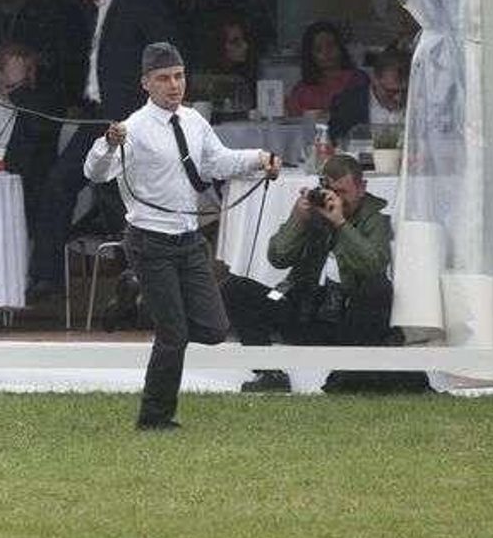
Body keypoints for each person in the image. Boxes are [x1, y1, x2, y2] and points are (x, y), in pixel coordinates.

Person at [85, 42, 279, 429]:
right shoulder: (132, 129)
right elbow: (95, 172)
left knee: (214, 329)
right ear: (146, 83)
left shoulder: (193, 120)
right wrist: (107, 144)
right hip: (149, 239)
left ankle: (135, 295)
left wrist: (259, 159)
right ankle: (154, 417)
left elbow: (217, 161)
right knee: (173, 335)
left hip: (189, 240)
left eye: (179, 76)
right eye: (164, 78)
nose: (174, 85)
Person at [26, 0, 182, 301]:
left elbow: (166, 56)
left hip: (132, 119)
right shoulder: (94, 7)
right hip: (99, 117)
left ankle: (142, 281)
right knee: (60, 182)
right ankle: (47, 277)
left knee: (116, 195)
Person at [222, 154, 422, 393]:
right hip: (302, 308)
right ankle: (269, 373)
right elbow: (277, 257)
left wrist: (341, 224)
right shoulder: (314, 211)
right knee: (235, 288)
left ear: (362, 188)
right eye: (331, 191)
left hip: (348, 319)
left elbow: (374, 265)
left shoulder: (374, 219)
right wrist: (298, 219)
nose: (336, 199)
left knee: (378, 288)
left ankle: (347, 376)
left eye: (343, 192)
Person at [0, 43, 59, 226]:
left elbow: (34, 159)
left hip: (12, 194)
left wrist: (21, 98)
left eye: (23, 84)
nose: (17, 91)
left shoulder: (35, 110)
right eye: (12, 86)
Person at [329, 46, 409, 146]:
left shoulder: (422, 104)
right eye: (391, 92)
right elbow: (335, 142)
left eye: (405, 91)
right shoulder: (346, 104)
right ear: (375, 79)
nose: (398, 98)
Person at [285, 21, 367, 117]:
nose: (326, 52)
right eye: (318, 49)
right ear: (310, 55)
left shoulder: (357, 79)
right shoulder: (302, 90)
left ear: (340, 47)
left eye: (330, 45)